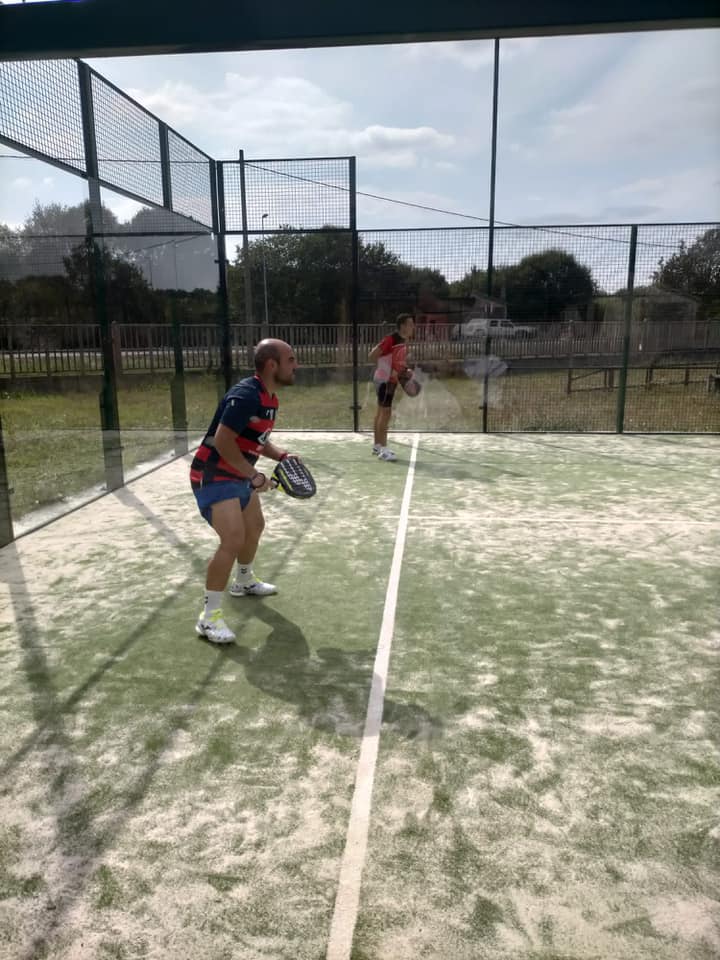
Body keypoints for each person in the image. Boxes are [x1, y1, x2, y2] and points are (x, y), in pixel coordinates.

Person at [189, 339, 299, 644]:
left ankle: (243, 581)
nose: (296, 365)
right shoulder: (246, 395)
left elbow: (255, 439)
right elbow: (224, 441)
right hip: (213, 475)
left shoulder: (269, 398)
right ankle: (208, 619)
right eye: (291, 359)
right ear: (272, 365)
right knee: (234, 538)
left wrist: (280, 456)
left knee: (255, 527)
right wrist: (254, 476)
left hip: (236, 474)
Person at [369, 313, 415, 461]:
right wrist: (385, 369)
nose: (412, 327)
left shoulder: (402, 340)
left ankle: (377, 446)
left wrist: (405, 370)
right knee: (386, 413)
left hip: (390, 380)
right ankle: (384, 450)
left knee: (381, 412)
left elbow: (397, 361)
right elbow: (372, 355)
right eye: (410, 324)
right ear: (402, 326)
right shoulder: (391, 339)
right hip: (385, 381)